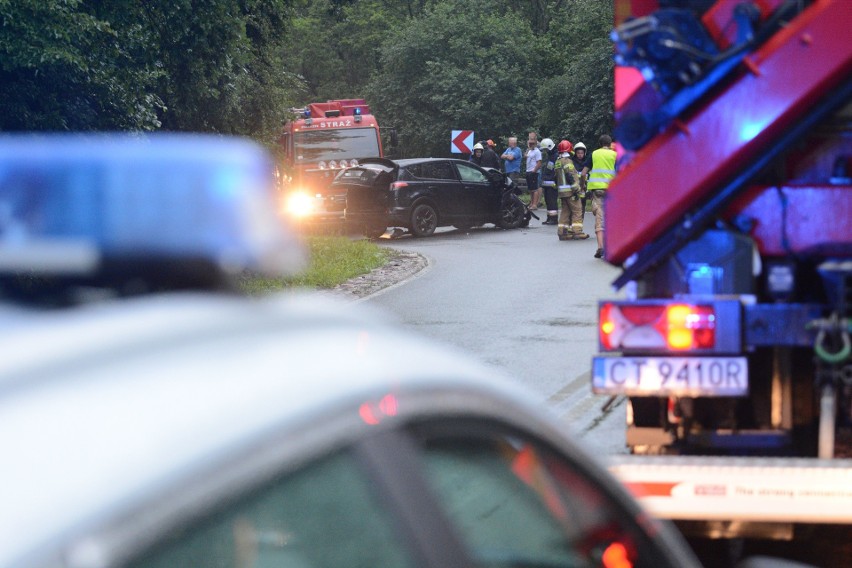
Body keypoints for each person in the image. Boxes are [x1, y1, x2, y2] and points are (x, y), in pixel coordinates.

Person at [581, 135, 617, 259]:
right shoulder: (615, 155)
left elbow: (584, 173)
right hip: (612, 191)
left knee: (600, 218)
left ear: (600, 143)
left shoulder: (594, 154)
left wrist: (582, 186)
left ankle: (601, 246)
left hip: (597, 190)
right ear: (610, 143)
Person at [555, 140, 589, 240]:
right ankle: (577, 232)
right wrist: (576, 189)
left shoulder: (557, 162)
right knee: (577, 210)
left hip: (562, 192)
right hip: (570, 191)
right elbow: (570, 176)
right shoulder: (568, 161)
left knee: (565, 212)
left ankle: (562, 233)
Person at [539, 138, 558, 225]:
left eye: (546, 149)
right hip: (547, 184)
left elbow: (554, 171)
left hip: (552, 184)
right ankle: (549, 218)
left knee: (552, 202)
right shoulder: (551, 156)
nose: (545, 151)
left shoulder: (555, 156)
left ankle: (554, 219)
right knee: (548, 201)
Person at [571, 142, 590, 214]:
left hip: (584, 186)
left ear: (584, 153)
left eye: (582, 153)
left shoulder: (587, 162)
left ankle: (581, 219)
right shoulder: (572, 161)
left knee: (582, 203)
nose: (580, 155)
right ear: (575, 153)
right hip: (574, 185)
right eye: (578, 153)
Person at [525, 138, 542, 209]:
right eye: (529, 143)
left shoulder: (537, 151)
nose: (530, 144)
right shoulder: (529, 151)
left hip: (533, 172)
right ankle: (531, 203)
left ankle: (535, 204)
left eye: (531, 143)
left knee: (535, 189)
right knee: (531, 189)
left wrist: (534, 171)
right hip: (528, 171)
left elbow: (539, 163)